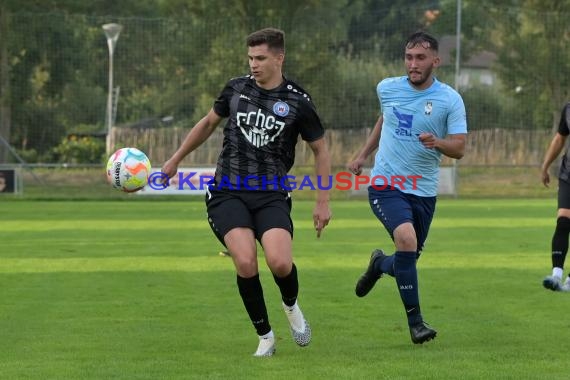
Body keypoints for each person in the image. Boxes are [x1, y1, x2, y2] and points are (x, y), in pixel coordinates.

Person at [161, 28, 332, 357]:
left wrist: (322, 202)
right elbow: (208, 123)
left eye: (261, 58)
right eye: (250, 58)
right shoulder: (236, 88)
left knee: (280, 263)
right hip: (227, 192)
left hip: (271, 193)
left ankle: (291, 305)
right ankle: (265, 336)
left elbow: (321, 151)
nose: (253, 64)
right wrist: (175, 159)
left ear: (279, 58)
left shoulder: (298, 101)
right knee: (245, 260)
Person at [347, 31, 467, 344]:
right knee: (406, 238)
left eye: (420, 58)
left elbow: (460, 149)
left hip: (424, 190)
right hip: (386, 184)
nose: (413, 64)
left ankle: (378, 264)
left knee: (406, 258)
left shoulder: (450, 99)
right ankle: (416, 324)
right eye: (409, 57)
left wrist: (438, 143)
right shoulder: (387, 88)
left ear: (435, 61)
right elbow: (384, 119)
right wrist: (363, 154)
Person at [540, 102, 570, 292]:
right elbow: (559, 139)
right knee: (563, 221)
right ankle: (556, 275)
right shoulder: (567, 109)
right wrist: (545, 165)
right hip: (568, 175)